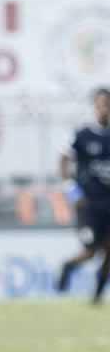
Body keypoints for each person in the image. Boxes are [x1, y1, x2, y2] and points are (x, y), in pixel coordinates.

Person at [55, 88, 110, 301]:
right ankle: (68, 266)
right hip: (90, 203)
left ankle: (97, 294)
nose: (104, 109)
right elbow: (63, 159)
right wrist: (71, 189)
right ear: (95, 107)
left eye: (107, 104)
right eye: (101, 104)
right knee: (91, 251)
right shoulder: (82, 135)